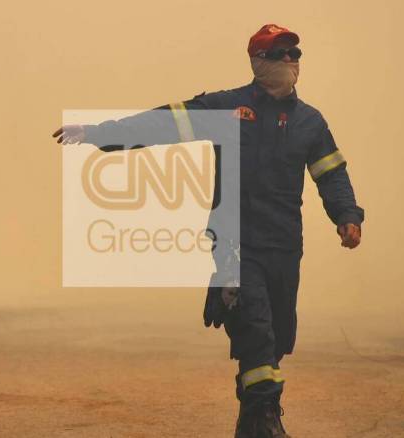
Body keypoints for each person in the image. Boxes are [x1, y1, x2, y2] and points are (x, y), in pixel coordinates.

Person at [54, 24, 364, 438]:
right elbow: (160, 125)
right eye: (281, 53)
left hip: (286, 246)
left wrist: (348, 216)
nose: (291, 61)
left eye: (295, 54)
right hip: (235, 244)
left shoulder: (310, 122)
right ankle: (267, 418)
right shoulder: (228, 108)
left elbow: (332, 174)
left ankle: (251, 420)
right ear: (259, 62)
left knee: (278, 339)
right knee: (256, 328)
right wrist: (99, 134)